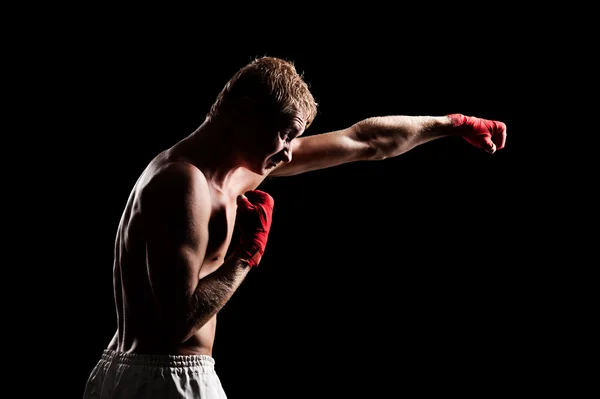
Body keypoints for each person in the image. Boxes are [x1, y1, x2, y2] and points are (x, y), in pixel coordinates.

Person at [82, 55, 507, 398]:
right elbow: (175, 324)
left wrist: (451, 125)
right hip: (164, 381)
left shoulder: (235, 168)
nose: (287, 153)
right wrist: (246, 256)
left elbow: (364, 142)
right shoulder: (185, 182)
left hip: (127, 374)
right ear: (245, 114)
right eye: (284, 134)